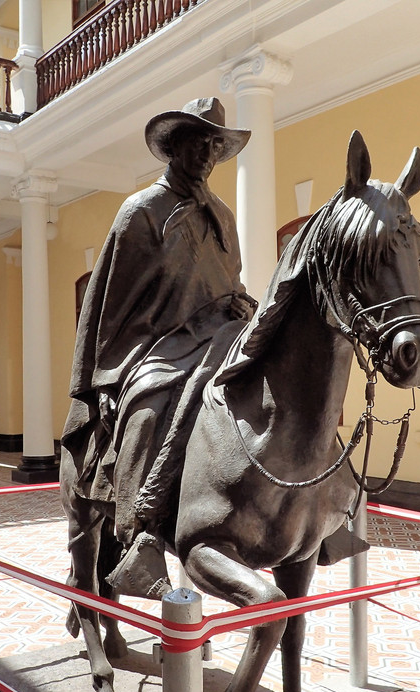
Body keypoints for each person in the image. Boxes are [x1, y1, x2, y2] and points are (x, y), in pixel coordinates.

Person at [62, 97, 256, 598]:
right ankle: (139, 529)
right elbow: (110, 304)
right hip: (155, 346)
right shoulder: (141, 211)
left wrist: (238, 301)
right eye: (198, 142)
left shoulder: (223, 215)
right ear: (173, 146)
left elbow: (228, 279)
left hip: (219, 336)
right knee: (148, 411)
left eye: (215, 145)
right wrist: (107, 378)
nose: (208, 154)